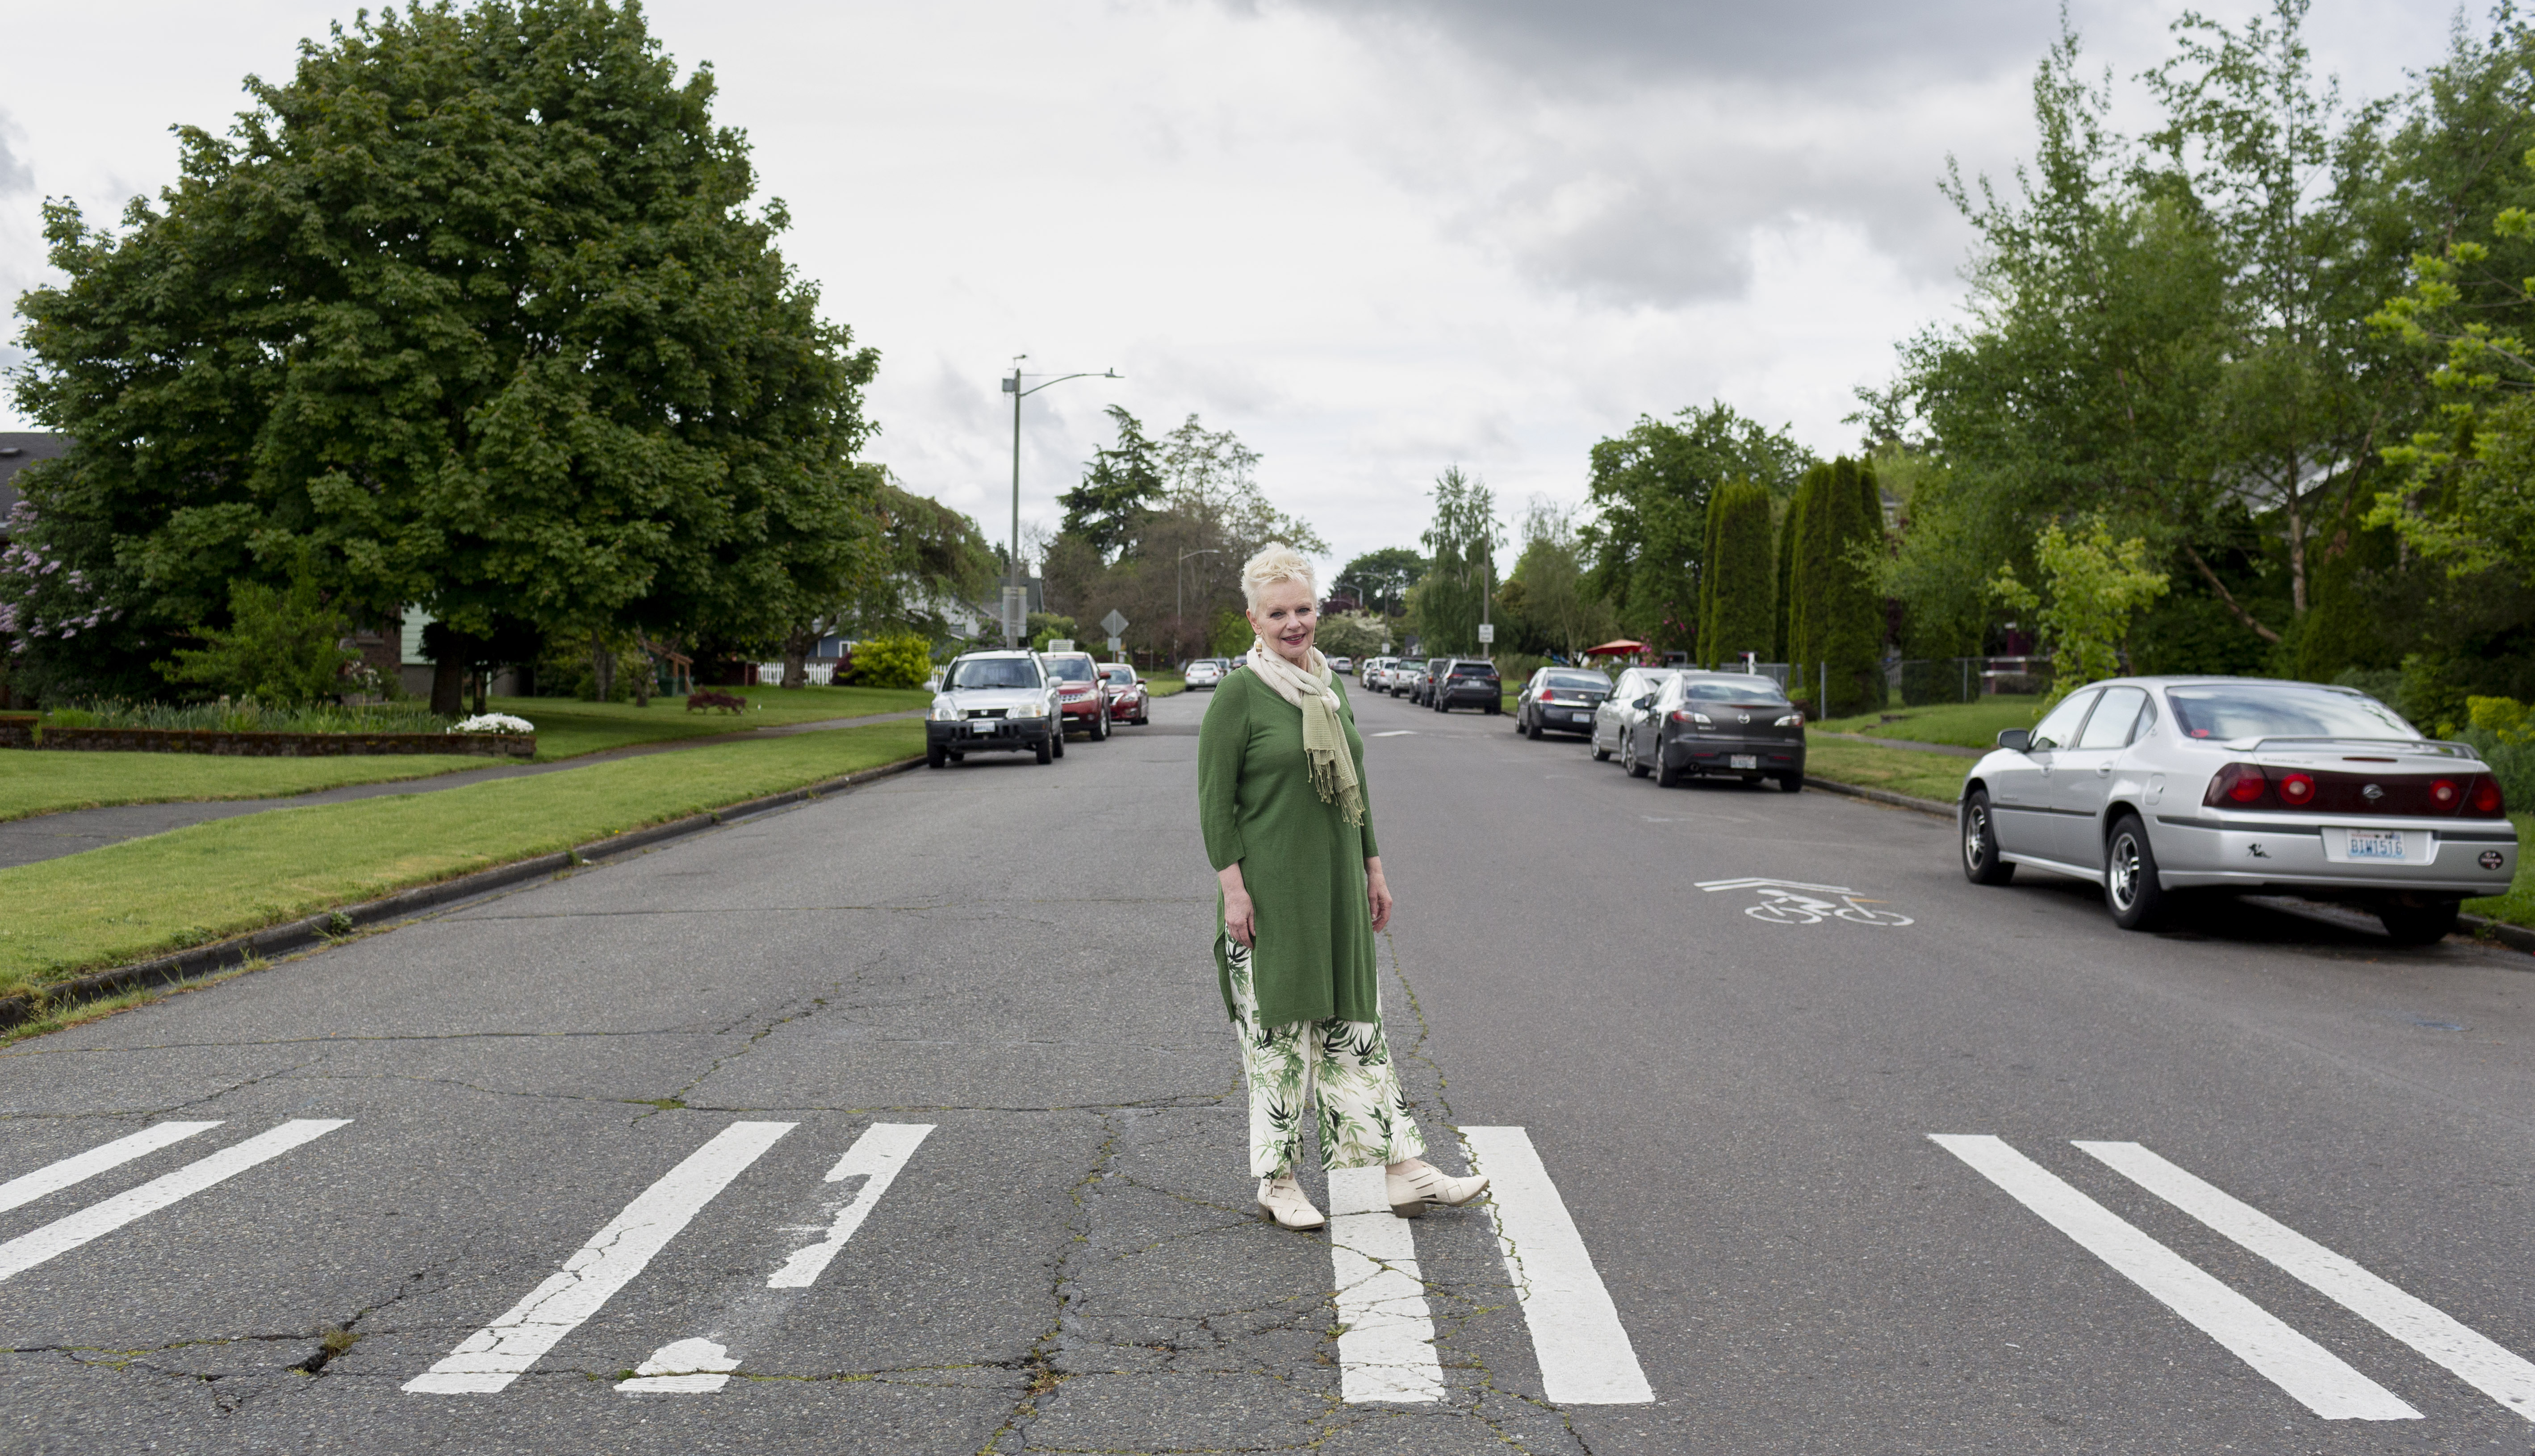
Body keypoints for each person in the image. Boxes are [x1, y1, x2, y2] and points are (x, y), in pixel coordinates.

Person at [1196, 543, 1488, 1230]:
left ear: (1316, 611)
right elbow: (1214, 803)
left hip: (1336, 895)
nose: (1293, 623)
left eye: (1303, 609)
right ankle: (1278, 1179)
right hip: (1269, 897)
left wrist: (1374, 868)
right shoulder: (1240, 694)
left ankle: (1404, 1170)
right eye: (1278, 613)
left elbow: (1353, 791)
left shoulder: (1330, 688)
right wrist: (1234, 892)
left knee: (1357, 1033)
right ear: (1254, 619)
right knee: (1278, 1043)